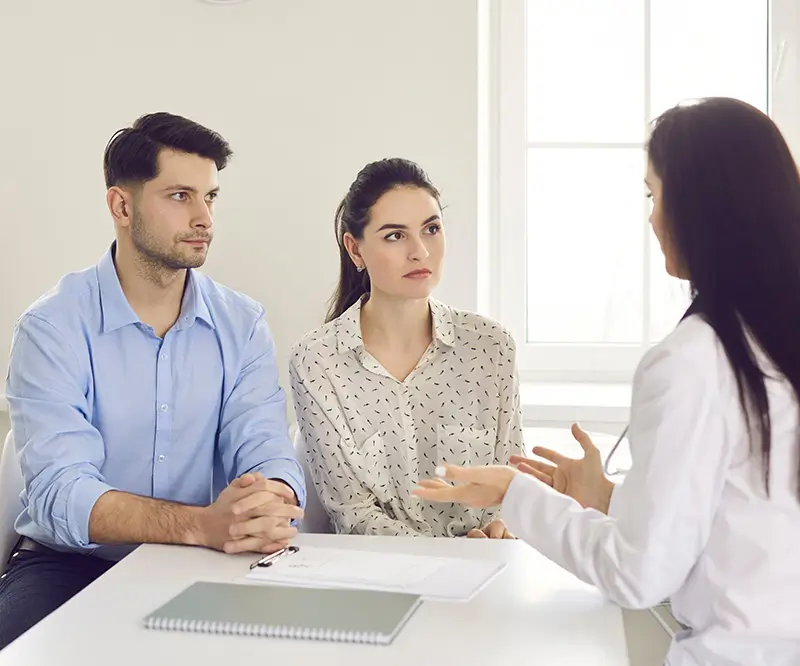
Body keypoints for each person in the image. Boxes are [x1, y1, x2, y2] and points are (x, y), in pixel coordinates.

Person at [414, 98, 800, 666]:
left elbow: (637, 573)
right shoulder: (773, 341)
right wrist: (609, 499)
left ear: (700, 206)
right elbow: (745, 523)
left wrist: (514, 492)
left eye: (654, 194)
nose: (651, 217)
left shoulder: (692, 362)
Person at [1, 112, 305, 648]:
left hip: (208, 562)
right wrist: (200, 525)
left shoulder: (242, 324)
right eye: (180, 196)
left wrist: (270, 499)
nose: (204, 217)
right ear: (122, 205)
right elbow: (60, 492)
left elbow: (264, 447)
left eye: (210, 197)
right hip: (71, 565)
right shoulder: (52, 327)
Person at [290, 158, 524, 538]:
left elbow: (511, 483)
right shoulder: (317, 361)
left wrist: (501, 528)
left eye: (431, 229)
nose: (420, 252)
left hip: (484, 568)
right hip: (380, 579)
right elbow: (353, 515)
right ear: (356, 250)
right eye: (395, 236)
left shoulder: (491, 347)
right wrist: (448, 557)